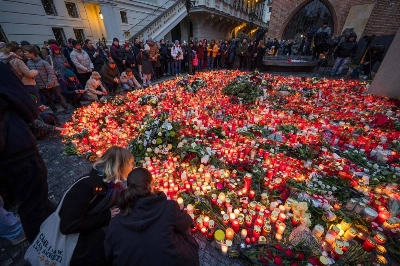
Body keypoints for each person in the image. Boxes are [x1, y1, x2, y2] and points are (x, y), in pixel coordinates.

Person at [0, 62, 56, 242]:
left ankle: (55, 230)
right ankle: (45, 247)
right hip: (16, 150)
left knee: (26, 201)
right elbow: (27, 106)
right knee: (33, 204)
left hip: (6, 157)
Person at [104, 168, 199, 266]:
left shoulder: (115, 223)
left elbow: (109, 255)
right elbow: (187, 222)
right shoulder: (168, 207)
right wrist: (179, 212)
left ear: (128, 188)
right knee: (183, 229)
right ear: (150, 185)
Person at [59, 146, 134, 266]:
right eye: (130, 164)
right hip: (78, 244)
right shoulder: (86, 187)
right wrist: (107, 216)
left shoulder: (112, 184)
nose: (132, 167)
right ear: (120, 166)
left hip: (93, 232)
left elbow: (120, 199)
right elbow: (68, 226)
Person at [26, 46, 70, 114]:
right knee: (48, 98)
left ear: (32, 53)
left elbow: (50, 72)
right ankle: (54, 110)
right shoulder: (28, 63)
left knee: (59, 96)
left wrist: (50, 82)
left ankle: (66, 108)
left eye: (26, 52)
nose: (25, 54)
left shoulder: (43, 62)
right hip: (41, 84)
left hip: (52, 83)